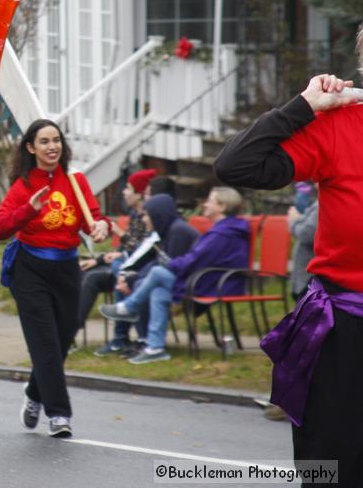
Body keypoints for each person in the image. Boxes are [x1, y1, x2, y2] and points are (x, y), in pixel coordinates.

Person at [214, 73, 363, 485]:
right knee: (329, 469)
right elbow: (235, 164)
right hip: (343, 329)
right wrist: (302, 106)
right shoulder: (340, 123)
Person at [0, 119, 110, 439]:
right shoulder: (23, 186)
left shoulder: (76, 180)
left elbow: (92, 219)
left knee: (61, 340)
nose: (52, 146)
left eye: (56, 140)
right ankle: (58, 415)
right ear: (31, 148)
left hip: (68, 269)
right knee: (44, 343)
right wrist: (28, 210)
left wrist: (101, 227)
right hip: (29, 269)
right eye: (44, 141)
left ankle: (34, 393)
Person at [100, 187, 248, 364]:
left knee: (157, 272)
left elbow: (194, 260)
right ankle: (155, 348)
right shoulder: (222, 230)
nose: (205, 204)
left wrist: (170, 264)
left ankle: (129, 308)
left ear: (222, 207)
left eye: (210, 200)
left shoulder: (223, 234)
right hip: (207, 279)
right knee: (159, 293)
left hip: (214, 283)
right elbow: (196, 258)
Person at [79, 168, 157, 356]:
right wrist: (98, 259)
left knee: (117, 271)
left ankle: (121, 338)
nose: (124, 191)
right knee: (85, 274)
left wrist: (117, 232)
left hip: (140, 270)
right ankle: (70, 333)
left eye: (129, 188)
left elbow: (143, 249)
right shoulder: (136, 215)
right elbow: (127, 250)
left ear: (140, 193)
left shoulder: (151, 214)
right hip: (126, 265)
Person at [288, 184, 318, 300]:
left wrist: (294, 220)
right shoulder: (317, 205)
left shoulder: (321, 206)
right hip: (306, 276)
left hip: (310, 278)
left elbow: (306, 234)